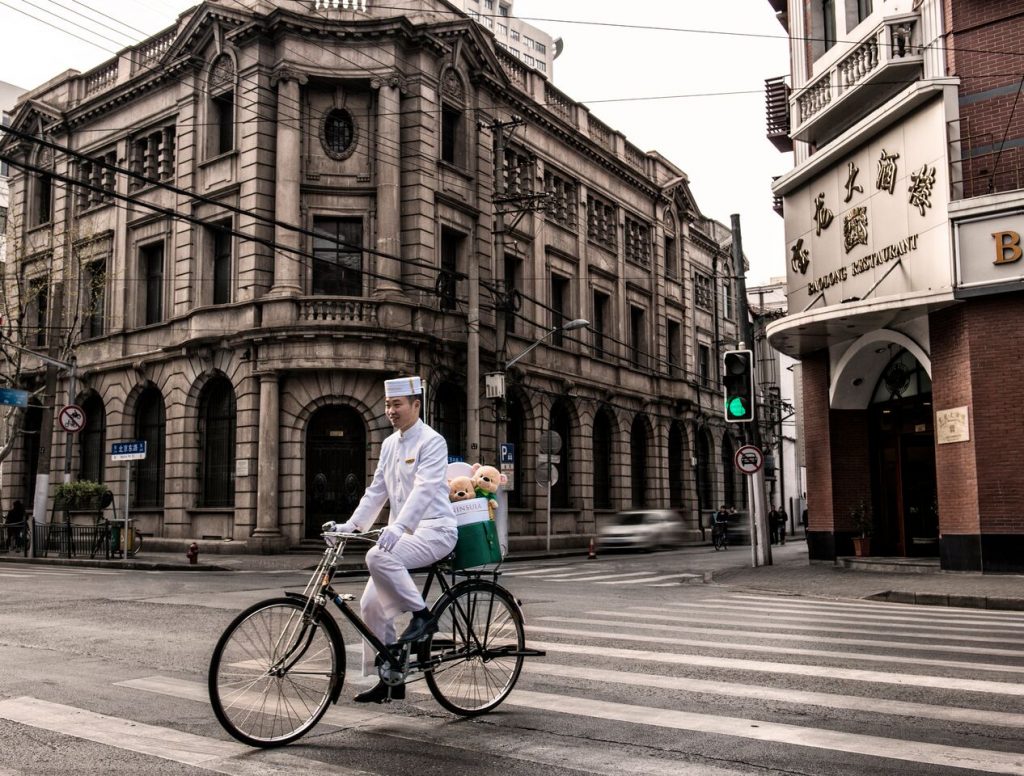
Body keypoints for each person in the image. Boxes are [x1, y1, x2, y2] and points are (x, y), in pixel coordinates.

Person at [323, 376, 457, 704]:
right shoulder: (389, 444)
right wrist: (351, 527)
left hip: (436, 531)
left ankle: (423, 617)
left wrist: (399, 527)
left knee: (377, 557)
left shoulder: (432, 441)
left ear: (416, 405)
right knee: (370, 605)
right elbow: (377, 491)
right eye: (387, 405)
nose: (390, 411)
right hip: (405, 533)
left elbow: (425, 488)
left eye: (397, 404)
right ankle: (390, 676)